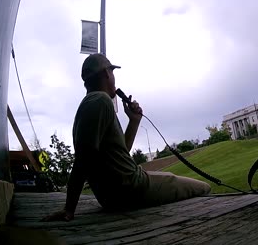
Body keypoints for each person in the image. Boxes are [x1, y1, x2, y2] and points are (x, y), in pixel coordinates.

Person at [43, 54, 210, 222]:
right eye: (112, 72)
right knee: (203, 187)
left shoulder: (89, 104)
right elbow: (84, 158)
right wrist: (69, 209)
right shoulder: (100, 101)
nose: (114, 78)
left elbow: (121, 152)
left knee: (166, 176)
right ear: (107, 73)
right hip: (134, 188)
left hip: (116, 196)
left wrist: (134, 120)